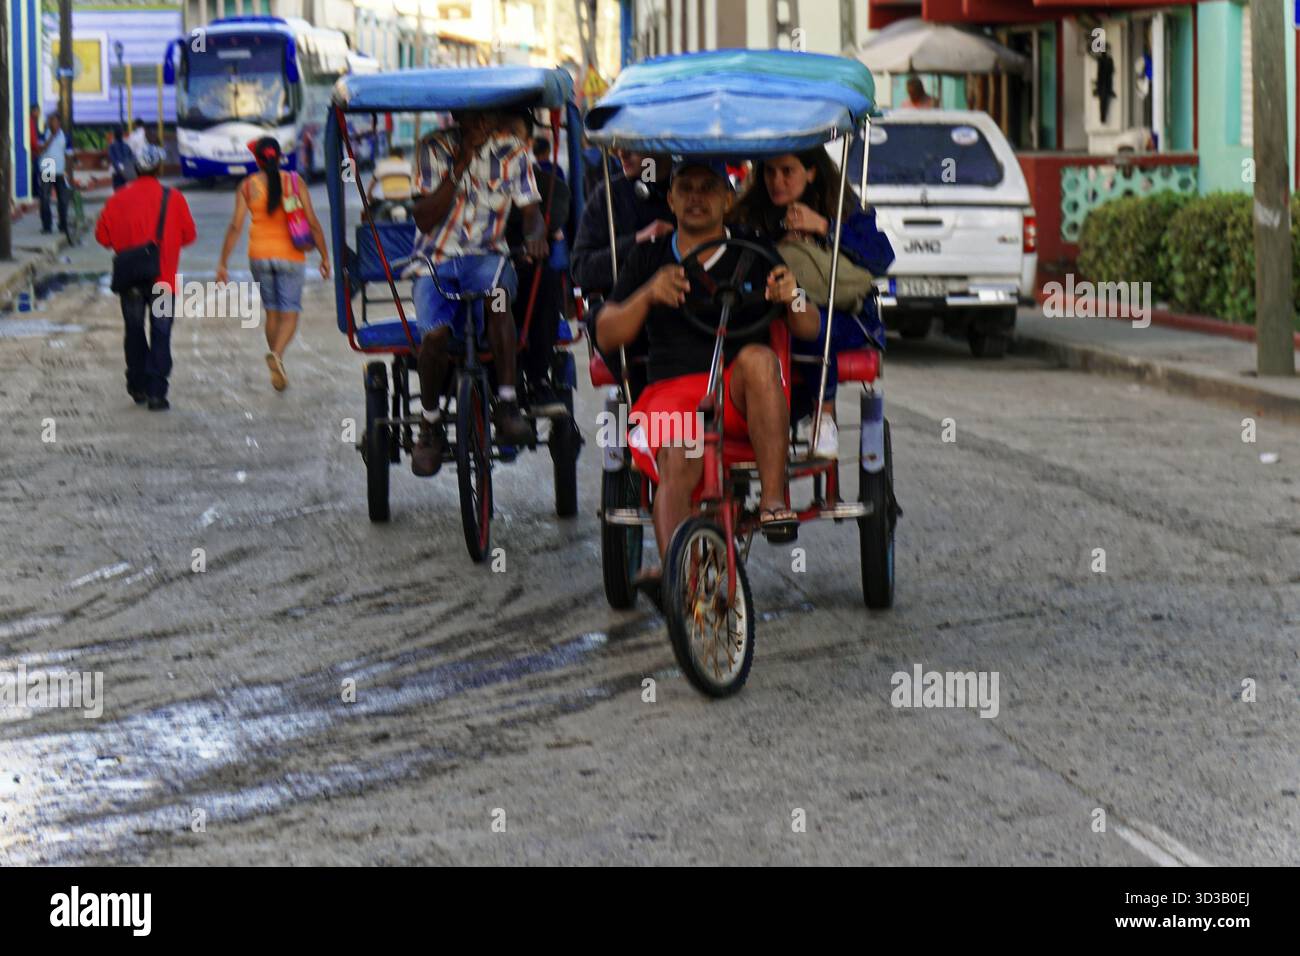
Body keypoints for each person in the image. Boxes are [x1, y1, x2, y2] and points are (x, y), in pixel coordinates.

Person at [596, 159, 816, 578]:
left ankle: (773, 500)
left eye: (708, 188)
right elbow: (606, 335)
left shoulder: (755, 250)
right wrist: (647, 295)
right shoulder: (648, 257)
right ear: (672, 199)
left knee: (759, 359)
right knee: (680, 454)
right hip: (671, 399)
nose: (696, 197)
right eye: (687, 189)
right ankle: (678, 577)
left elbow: (807, 325)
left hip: (739, 397)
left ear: (728, 199)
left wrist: (794, 296)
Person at [405, 109, 549, 477]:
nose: (481, 123)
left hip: (487, 258)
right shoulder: (432, 148)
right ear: (458, 116)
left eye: (486, 115)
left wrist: (536, 233)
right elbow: (423, 217)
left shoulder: (513, 152)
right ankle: (431, 423)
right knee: (434, 336)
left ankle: (506, 402)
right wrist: (461, 163)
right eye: (471, 116)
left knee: (499, 298)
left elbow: (530, 209)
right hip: (434, 262)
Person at [731, 148, 895, 457]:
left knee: (809, 319)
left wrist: (824, 227)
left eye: (787, 171)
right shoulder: (750, 214)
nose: (777, 181)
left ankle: (824, 416)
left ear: (811, 172)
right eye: (769, 172)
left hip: (842, 319)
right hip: (764, 320)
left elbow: (882, 258)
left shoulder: (844, 209)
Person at [217, 137, 330, 392]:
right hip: (290, 256)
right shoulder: (294, 182)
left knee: (273, 312)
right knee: (290, 313)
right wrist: (324, 256)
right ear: (280, 158)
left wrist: (223, 263)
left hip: (259, 256)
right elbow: (311, 222)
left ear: (257, 160)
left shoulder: (247, 186)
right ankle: (277, 356)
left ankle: (275, 359)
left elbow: (235, 226)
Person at [94, 144, 197, 410]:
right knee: (161, 333)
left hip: (130, 281)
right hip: (163, 282)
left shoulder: (117, 199)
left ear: (135, 168)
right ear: (159, 168)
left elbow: (102, 238)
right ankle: (157, 392)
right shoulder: (173, 198)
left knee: (134, 330)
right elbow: (189, 235)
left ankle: (137, 385)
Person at [570, 146, 674, 399]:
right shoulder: (609, 196)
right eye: (619, 145)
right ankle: (640, 407)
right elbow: (580, 268)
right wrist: (638, 240)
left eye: (633, 144)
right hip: (626, 313)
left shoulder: (689, 194)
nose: (622, 153)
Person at [502, 110, 571, 416]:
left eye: (513, 137)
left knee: (544, 280)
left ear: (528, 142)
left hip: (524, 268)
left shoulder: (549, 184)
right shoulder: (476, 180)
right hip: (483, 268)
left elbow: (547, 225)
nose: (506, 144)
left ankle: (538, 378)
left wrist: (528, 245)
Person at [37, 113, 69, 236]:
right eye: (50, 121)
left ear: (59, 123)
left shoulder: (65, 136)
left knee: (62, 198)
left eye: (54, 121)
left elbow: (69, 155)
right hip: (47, 166)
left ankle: (63, 224)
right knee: (45, 197)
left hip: (60, 169)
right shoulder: (43, 135)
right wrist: (51, 137)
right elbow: (41, 149)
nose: (52, 124)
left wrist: (69, 174)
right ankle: (47, 225)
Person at [366, 146, 413, 219]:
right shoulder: (408, 165)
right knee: (413, 216)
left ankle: (378, 229)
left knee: (379, 218)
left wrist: (369, 196)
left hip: (388, 202)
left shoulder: (382, 166)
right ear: (402, 155)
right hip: (407, 201)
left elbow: (372, 184)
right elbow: (412, 184)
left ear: (390, 155)